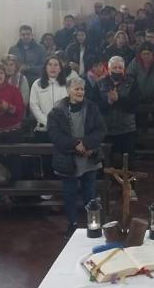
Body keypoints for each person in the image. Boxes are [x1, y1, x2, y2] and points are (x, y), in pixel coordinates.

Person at [47, 76, 107, 238]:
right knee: (70, 194)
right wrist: (75, 144)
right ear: (68, 90)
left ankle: (92, 224)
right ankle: (72, 224)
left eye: (82, 89)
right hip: (67, 159)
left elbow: (101, 130)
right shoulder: (57, 111)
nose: (80, 92)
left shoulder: (92, 107)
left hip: (89, 157)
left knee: (90, 194)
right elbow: (55, 135)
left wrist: (86, 144)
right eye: (76, 89)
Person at [95, 56, 141, 166]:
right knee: (104, 162)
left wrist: (118, 99)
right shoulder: (99, 83)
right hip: (105, 129)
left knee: (128, 162)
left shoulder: (132, 82)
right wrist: (108, 102)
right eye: (114, 68)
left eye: (120, 68)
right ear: (109, 69)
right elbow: (93, 106)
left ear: (124, 69)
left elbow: (135, 105)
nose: (117, 70)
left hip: (126, 129)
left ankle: (128, 177)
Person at [29, 56, 72, 141]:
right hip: (43, 129)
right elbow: (34, 105)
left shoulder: (68, 83)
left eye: (56, 65)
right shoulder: (37, 84)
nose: (53, 67)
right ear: (45, 68)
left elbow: (72, 104)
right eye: (50, 65)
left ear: (60, 69)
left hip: (63, 129)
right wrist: (48, 122)